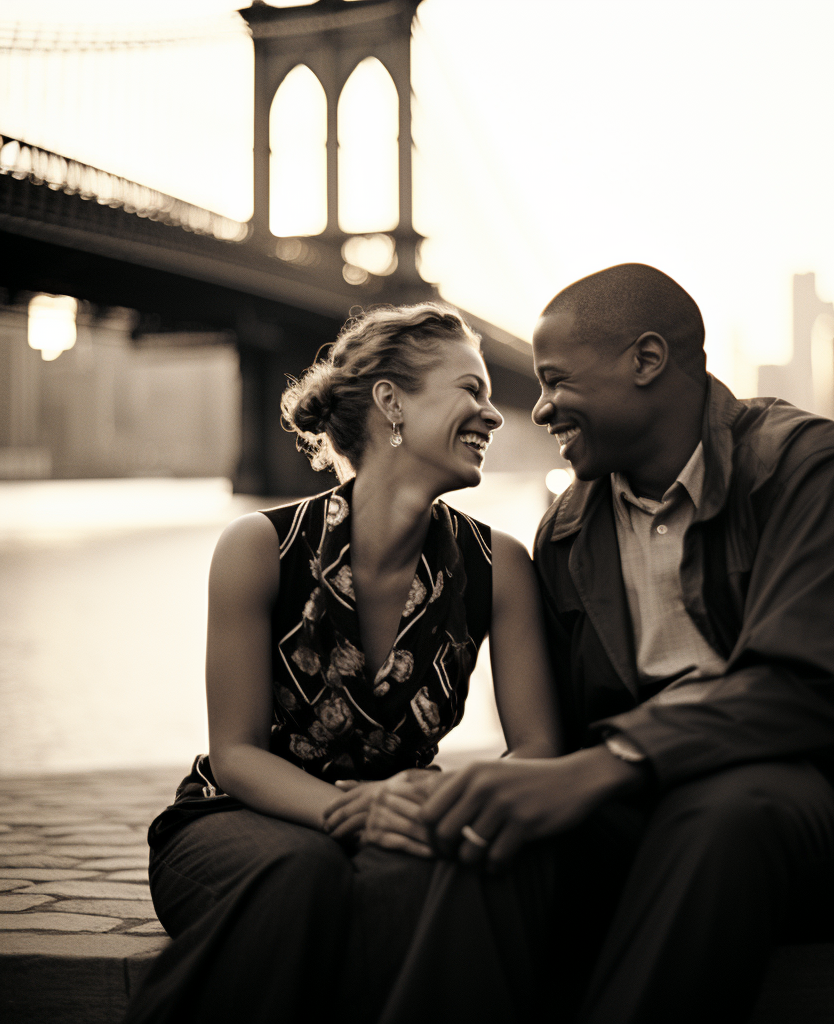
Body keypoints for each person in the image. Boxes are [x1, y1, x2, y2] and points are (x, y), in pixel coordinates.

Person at [418, 264, 834, 1023]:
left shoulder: (804, 464)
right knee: (496, 834)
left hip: (812, 802)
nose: (537, 410)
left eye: (556, 380)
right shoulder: (565, 534)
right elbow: (562, 751)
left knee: (722, 810)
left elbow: (806, 687)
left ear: (647, 360)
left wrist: (617, 761)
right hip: (649, 809)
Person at [124, 303, 561, 1024]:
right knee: (304, 873)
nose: (494, 414)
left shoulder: (499, 567)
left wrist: (444, 807)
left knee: (418, 887)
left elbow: (538, 748)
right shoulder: (259, 548)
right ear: (391, 401)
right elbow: (233, 754)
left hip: (400, 825)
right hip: (236, 820)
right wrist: (348, 812)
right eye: (471, 390)